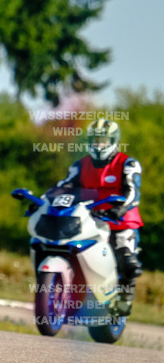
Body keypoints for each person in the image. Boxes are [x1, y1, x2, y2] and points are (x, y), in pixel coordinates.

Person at [55, 118, 143, 316]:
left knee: (127, 261)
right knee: (68, 246)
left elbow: (133, 192)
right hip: (89, 218)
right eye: (95, 140)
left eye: (103, 140)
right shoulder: (80, 165)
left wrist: (119, 209)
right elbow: (65, 186)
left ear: (113, 141)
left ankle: (125, 298)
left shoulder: (128, 164)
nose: (98, 144)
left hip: (120, 222)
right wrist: (48, 200)